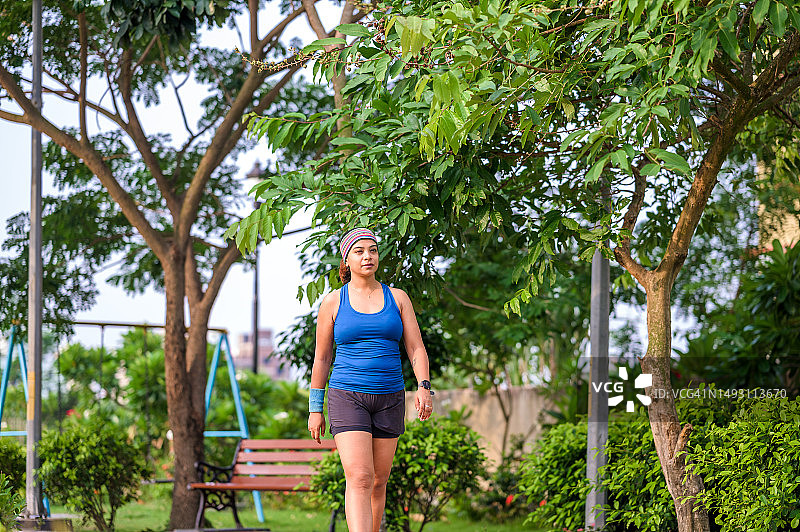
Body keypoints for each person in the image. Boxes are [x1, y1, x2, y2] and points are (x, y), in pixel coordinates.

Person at [307, 227, 434, 532]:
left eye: (373, 250)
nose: (368, 256)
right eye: (359, 251)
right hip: (347, 395)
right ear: (346, 260)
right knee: (360, 477)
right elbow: (322, 358)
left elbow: (416, 347)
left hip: (390, 396)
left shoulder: (398, 298)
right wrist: (315, 407)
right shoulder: (333, 302)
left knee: (379, 481)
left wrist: (424, 386)